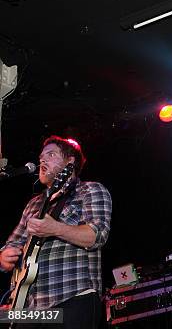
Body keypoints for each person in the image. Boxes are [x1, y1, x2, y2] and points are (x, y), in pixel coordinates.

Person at [0, 136, 112, 328]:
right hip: (30, 308)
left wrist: (56, 228)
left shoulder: (90, 190)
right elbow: (13, 243)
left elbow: (97, 235)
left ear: (71, 162)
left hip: (71, 298)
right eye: (41, 156)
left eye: (51, 154)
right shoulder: (34, 203)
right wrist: (4, 257)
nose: (42, 160)